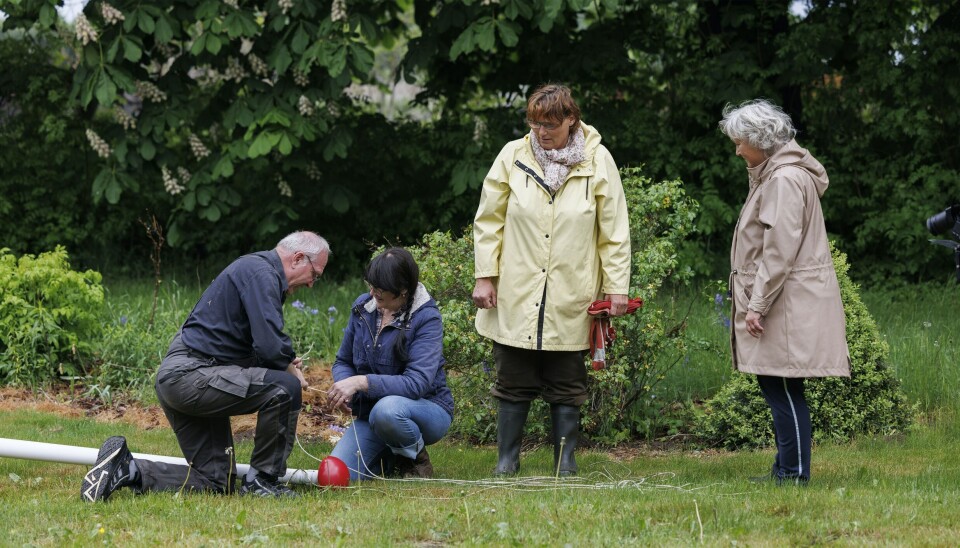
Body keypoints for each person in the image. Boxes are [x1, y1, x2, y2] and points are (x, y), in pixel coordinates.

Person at [81, 231, 330, 501]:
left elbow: (238, 348)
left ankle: (128, 469)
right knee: (285, 388)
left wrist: (278, 359)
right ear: (297, 258)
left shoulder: (255, 270)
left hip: (183, 378)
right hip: (191, 376)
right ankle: (262, 481)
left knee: (215, 481)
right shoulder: (262, 273)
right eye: (315, 274)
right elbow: (271, 348)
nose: (312, 284)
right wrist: (289, 368)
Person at [472, 83, 631, 477]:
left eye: (551, 124)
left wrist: (618, 288)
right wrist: (485, 276)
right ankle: (507, 461)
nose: (541, 132)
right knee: (512, 377)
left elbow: (613, 231)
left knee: (567, 380)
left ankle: (566, 463)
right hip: (516, 288)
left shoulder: (598, 160)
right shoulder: (512, 155)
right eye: (535, 123)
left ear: (571, 120)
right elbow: (488, 221)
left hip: (572, 290)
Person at [719, 99, 850, 485]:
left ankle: (793, 474)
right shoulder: (777, 175)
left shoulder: (783, 180)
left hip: (785, 302)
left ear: (761, 140)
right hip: (786, 299)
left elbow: (778, 252)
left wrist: (756, 305)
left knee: (783, 389)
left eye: (741, 141)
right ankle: (786, 468)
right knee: (778, 385)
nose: (738, 149)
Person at [327, 247, 454, 481]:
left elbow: (416, 384)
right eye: (371, 286)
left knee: (387, 410)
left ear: (403, 291)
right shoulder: (362, 308)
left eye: (380, 291)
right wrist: (346, 389)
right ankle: (392, 456)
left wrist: (362, 382)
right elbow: (343, 360)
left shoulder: (427, 318)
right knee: (340, 474)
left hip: (425, 410)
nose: (372, 293)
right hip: (371, 415)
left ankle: (415, 459)